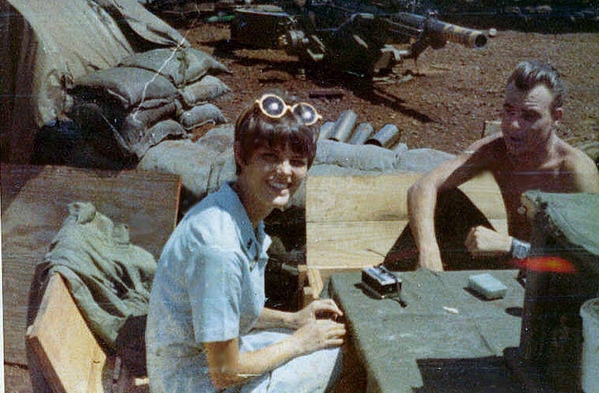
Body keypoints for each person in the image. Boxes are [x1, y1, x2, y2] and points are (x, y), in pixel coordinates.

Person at [146, 93, 346, 393]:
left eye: (297, 161)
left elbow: (230, 309)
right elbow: (225, 372)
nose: (285, 171)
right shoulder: (219, 247)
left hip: (200, 366)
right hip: (192, 383)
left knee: (330, 344)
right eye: (270, 157)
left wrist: (292, 320)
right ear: (241, 156)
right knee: (333, 357)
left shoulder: (237, 210)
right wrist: (300, 341)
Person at [405, 60, 599, 272]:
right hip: (512, 267)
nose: (513, 125)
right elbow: (422, 187)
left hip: (553, 284)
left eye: (529, 116)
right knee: (447, 200)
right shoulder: (496, 151)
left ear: (556, 117)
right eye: (509, 111)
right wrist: (428, 251)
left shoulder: (575, 171)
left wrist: (512, 246)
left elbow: (591, 262)